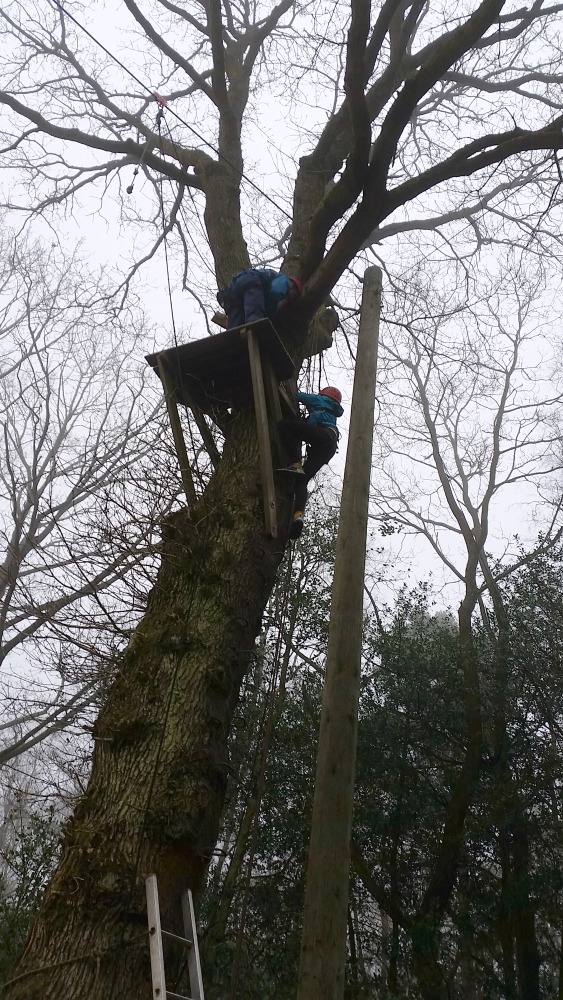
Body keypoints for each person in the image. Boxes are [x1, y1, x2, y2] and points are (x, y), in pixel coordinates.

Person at [277, 386, 344, 539]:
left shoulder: (321, 399)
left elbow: (299, 396)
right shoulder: (332, 411)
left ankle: (295, 463)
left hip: (322, 434)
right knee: (301, 480)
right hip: (329, 446)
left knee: (283, 425)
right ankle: (298, 516)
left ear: (324, 395)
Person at [217, 268, 303, 329]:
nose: (292, 297)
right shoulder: (285, 280)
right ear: (293, 285)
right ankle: (255, 322)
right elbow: (275, 293)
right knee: (254, 312)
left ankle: (234, 336)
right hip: (251, 280)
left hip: (235, 288)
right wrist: (268, 316)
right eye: (294, 294)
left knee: (236, 320)